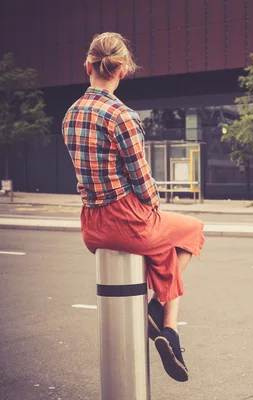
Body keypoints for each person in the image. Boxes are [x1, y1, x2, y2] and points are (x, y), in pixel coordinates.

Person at [62, 32, 204, 382]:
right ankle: (166, 321)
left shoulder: (69, 115)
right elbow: (142, 182)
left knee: (161, 247)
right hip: (128, 220)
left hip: (92, 223)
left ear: (88, 67)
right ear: (122, 70)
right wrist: (155, 208)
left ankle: (165, 324)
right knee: (191, 229)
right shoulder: (122, 116)